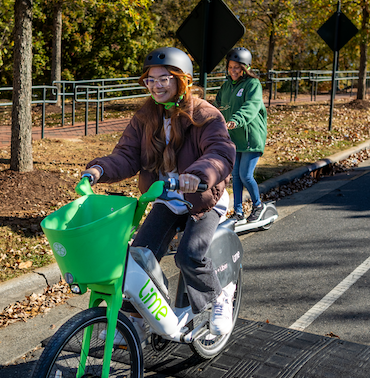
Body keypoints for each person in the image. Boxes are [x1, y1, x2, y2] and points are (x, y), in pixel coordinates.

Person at [81, 47, 236, 341]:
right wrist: (99, 169)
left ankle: (220, 296)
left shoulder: (205, 114)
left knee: (190, 255)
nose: (156, 86)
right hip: (166, 198)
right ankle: (137, 319)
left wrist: (199, 175)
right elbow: (127, 155)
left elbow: (220, 152)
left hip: (203, 199)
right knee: (138, 258)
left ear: (183, 80)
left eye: (163, 78)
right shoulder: (145, 116)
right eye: (150, 80)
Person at [214, 47, 268, 223]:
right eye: (230, 67)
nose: (233, 71)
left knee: (245, 175)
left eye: (237, 67)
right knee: (235, 176)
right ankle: (238, 212)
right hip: (233, 139)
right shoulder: (226, 86)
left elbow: (250, 107)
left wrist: (235, 120)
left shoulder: (253, 85)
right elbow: (217, 108)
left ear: (246, 67)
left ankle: (258, 206)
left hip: (251, 138)